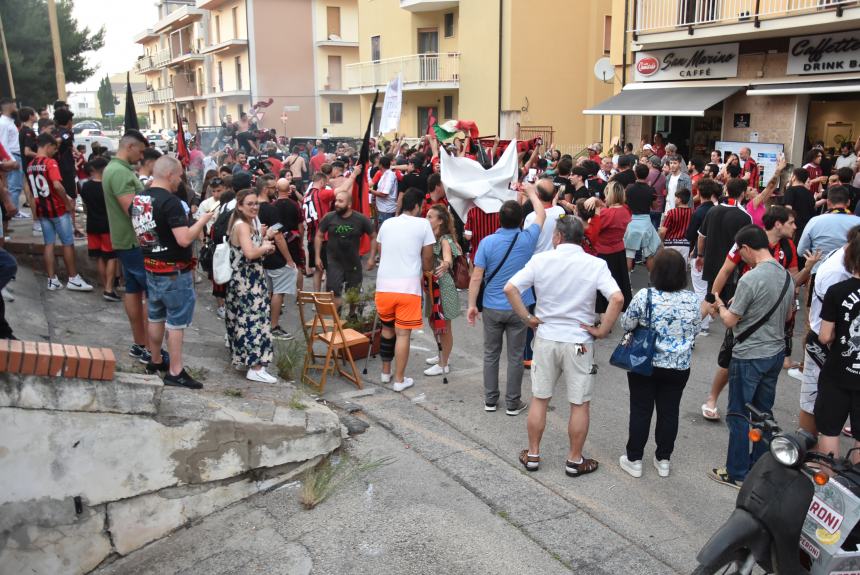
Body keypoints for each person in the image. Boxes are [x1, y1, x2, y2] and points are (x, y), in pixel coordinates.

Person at [505, 215, 623, 477]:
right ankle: (574, 459)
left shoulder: (541, 260)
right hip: (579, 340)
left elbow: (510, 288)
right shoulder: (595, 264)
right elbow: (616, 297)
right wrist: (602, 330)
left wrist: (527, 318)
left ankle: (533, 453)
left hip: (546, 336)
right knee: (579, 403)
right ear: (580, 238)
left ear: (557, 237)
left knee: (540, 398)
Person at [702, 206, 818, 420]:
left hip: (775, 312)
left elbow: (791, 282)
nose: (795, 227)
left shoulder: (789, 247)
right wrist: (712, 299)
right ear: (778, 224)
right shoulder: (749, 240)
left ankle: (753, 413)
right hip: (744, 307)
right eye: (791, 222)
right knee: (730, 359)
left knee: (763, 361)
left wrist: (807, 268)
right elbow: (725, 270)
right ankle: (712, 398)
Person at [709, 225, 795, 488]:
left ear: (746, 248)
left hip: (749, 355)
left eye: (740, 252)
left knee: (738, 413)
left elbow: (730, 321)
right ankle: (758, 466)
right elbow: (790, 315)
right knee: (763, 414)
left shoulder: (750, 279)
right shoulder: (786, 276)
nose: (740, 258)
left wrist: (720, 303)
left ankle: (736, 471)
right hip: (775, 352)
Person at [618, 249, 704, 478]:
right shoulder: (692, 299)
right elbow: (695, 328)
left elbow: (627, 324)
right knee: (669, 412)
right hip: (678, 365)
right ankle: (663, 459)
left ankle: (634, 458)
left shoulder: (645, 296)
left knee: (640, 409)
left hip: (645, 362)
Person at [131, 156, 214, 389]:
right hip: (174, 271)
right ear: (170, 175)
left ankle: (155, 360)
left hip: (151, 266)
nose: (180, 181)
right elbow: (184, 238)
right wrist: (202, 220)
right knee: (176, 323)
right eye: (179, 176)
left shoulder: (139, 199)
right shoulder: (170, 202)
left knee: (155, 316)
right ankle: (176, 371)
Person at [467, 185, 545, 415]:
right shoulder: (528, 238)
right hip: (520, 306)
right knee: (515, 355)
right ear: (522, 220)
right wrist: (531, 192)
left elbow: (476, 277)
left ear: (498, 219)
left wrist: (472, 304)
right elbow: (541, 214)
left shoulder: (487, 242)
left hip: (491, 305)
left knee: (490, 354)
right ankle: (513, 402)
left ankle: (490, 400)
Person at [103, 129, 157, 363]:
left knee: (134, 292)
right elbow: (133, 210)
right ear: (130, 147)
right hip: (135, 241)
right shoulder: (120, 173)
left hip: (127, 240)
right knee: (150, 295)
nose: (142, 157)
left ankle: (139, 344)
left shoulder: (115, 170)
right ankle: (149, 348)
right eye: (141, 151)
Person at [375, 188, 435, 392]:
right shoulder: (423, 224)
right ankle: (399, 380)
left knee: (387, 329)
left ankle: (385, 372)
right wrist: (425, 271)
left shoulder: (387, 223)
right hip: (408, 287)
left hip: (384, 286)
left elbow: (382, 252)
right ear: (417, 206)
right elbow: (427, 257)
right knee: (403, 335)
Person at [800, 227, 858, 436]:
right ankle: (808, 452)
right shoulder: (838, 273)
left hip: (839, 345)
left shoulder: (842, 263)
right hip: (825, 344)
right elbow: (826, 330)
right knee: (814, 403)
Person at [26, 133, 92, 292]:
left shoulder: (30, 165)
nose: (55, 152)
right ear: (48, 146)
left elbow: (29, 191)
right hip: (58, 209)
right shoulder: (50, 163)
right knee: (67, 243)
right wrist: (67, 202)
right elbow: (57, 185)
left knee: (49, 243)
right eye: (54, 149)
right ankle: (73, 278)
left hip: (42, 210)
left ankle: (52, 279)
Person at [815, 232, 860, 461]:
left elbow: (824, 336)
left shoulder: (838, 291)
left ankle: (828, 483)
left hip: (838, 369)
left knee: (830, 429)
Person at [226, 188, 279, 383]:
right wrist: (265, 246)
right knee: (254, 322)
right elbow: (249, 253)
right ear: (240, 206)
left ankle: (250, 362)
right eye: (250, 203)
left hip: (248, 279)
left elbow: (250, 252)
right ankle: (256, 367)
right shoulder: (242, 226)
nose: (255, 207)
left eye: (256, 203)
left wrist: (265, 246)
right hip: (248, 282)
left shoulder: (245, 224)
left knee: (246, 320)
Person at [422, 204, 463, 376]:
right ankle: (442, 353)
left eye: (430, 216)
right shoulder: (429, 237)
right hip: (431, 285)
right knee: (433, 322)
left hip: (443, 287)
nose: (427, 218)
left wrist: (446, 264)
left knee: (444, 326)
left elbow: (447, 258)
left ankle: (443, 363)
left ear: (440, 221)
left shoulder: (445, 239)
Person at [315, 188, 376, 305]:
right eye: (336, 201)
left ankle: (351, 317)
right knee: (333, 291)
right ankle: (337, 320)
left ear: (349, 204)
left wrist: (372, 258)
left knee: (353, 292)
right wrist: (317, 257)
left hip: (353, 262)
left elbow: (373, 237)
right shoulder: (329, 217)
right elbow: (319, 236)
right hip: (334, 261)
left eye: (340, 201)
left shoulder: (361, 219)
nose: (336, 204)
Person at [586, 181, 632, 311]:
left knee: (602, 290)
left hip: (603, 253)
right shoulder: (626, 210)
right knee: (616, 285)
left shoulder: (607, 214)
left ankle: (604, 318)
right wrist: (598, 202)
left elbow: (592, 229)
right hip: (619, 251)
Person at [79, 156, 119, 301]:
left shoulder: (85, 186)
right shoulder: (108, 186)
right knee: (112, 257)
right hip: (107, 225)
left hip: (92, 224)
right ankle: (109, 289)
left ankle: (105, 287)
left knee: (100, 257)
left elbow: (85, 206)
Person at [797, 186, 860, 277]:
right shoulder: (858, 222)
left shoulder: (815, 221)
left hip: (818, 274)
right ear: (849, 202)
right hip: (850, 276)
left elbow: (801, 251)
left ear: (828, 202)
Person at [687, 179, 720, 336]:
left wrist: (697, 254)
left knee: (700, 290)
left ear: (699, 193)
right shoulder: (718, 210)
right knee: (710, 288)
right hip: (716, 256)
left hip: (701, 255)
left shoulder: (699, 212)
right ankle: (708, 317)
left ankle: (703, 324)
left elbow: (691, 235)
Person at [624, 163, 660, 271]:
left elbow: (625, 202)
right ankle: (651, 282)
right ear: (647, 174)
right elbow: (655, 206)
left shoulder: (629, 188)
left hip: (631, 221)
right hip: (645, 222)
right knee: (649, 254)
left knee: (629, 254)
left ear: (635, 173)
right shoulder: (651, 190)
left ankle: (628, 282)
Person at [0, 98, 23, 218]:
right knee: (14, 186)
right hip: (12, 156)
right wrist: (11, 160)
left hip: (14, 155)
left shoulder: (9, 122)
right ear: (9, 108)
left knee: (15, 186)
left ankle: (14, 210)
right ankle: (12, 212)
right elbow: (2, 143)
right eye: (14, 107)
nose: (16, 109)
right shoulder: (3, 123)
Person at [658, 188, 693, 264]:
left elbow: (663, 231)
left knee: (668, 268)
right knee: (681, 270)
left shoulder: (672, 213)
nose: (675, 199)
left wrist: (661, 241)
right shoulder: (692, 213)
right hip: (685, 245)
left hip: (670, 244)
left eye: (676, 197)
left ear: (679, 199)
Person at [371, 156, 398, 226]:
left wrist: (370, 191)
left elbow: (384, 194)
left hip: (386, 211)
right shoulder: (386, 174)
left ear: (381, 165)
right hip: (384, 210)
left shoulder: (389, 176)